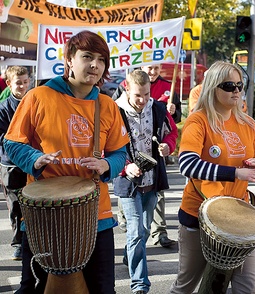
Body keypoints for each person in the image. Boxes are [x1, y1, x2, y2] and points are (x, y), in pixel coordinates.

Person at [4, 30, 129, 294]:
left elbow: (120, 153)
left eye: (101, 59)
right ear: (70, 59)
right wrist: (35, 159)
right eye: (87, 56)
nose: (95, 64)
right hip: (43, 214)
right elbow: (12, 142)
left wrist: (108, 166)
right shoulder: (38, 97)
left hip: (97, 216)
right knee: (33, 289)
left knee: (102, 289)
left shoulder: (107, 105)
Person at [169, 60, 255, 294]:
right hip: (199, 216)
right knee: (185, 286)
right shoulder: (199, 120)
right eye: (229, 85)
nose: (236, 91)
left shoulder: (248, 123)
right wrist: (235, 173)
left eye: (239, 85)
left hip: (239, 218)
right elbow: (187, 164)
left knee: (249, 288)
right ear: (213, 87)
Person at [113, 69, 177, 294]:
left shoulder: (158, 108)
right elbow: (105, 148)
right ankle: (140, 284)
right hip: (128, 183)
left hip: (152, 181)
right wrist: (125, 166)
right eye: (138, 95)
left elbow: (172, 133)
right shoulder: (115, 111)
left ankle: (129, 253)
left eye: (147, 95)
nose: (143, 100)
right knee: (135, 231)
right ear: (127, 88)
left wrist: (168, 146)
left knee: (143, 230)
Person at [0, 66, 30, 261]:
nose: (23, 86)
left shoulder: (34, 102)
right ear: (9, 84)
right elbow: (2, 137)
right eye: (18, 83)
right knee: (16, 204)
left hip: (32, 162)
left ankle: (32, 239)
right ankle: (18, 242)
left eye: (26, 81)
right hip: (11, 164)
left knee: (33, 203)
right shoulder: (3, 108)